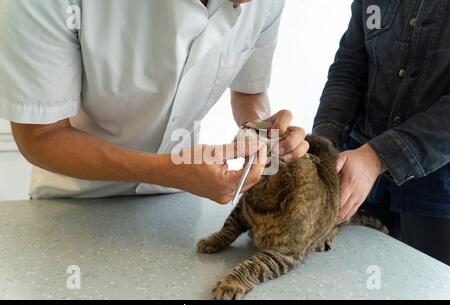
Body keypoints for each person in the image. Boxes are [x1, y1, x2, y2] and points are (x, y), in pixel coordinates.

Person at [0, 0, 309, 204]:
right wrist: (166, 169)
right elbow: (40, 135)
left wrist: (262, 133)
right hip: (77, 202)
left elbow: (248, 92)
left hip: (178, 201)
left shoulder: (266, 3)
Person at [313, 0, 450, 265]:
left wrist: (378, 156)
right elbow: (350, 69)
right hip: (356, 181)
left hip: (438, 201)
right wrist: (323, 145)